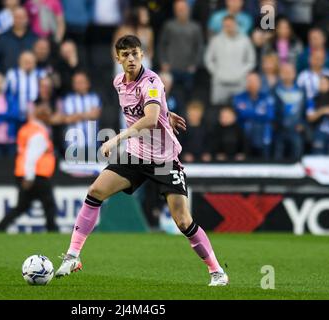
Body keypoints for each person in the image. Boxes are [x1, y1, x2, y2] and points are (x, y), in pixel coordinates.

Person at [54, 35, 229, 286]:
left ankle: (217, 272)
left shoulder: (153, 81)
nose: (131, 58)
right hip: (136, 156)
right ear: (118, 58)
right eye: (125, 54)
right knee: (95, 191)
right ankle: (73, 255)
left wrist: (116, 139)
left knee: (182, 221)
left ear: (142, 54)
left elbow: (149, 118)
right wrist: (167, 114)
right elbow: (152, 111)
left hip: (164, 160)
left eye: (135, 53)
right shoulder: (118, 82)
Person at [0, 103, 59, 232]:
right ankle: (53, 231)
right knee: (49, 205)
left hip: (25, 173)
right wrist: (30, 177)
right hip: (36, 175)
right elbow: (31, 157)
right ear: (42, 116)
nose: (50, 117)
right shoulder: (39, 133)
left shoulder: (27, 129)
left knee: (22, 206)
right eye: (48, 114)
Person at [159, 0, 204, 105]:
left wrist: (194, 64)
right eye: (178, 10)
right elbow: (162, 45)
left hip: (188, 69)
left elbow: (199, 47)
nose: (181, 12)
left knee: (188, 97)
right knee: (170, 98)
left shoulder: (195, 27)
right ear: (175, 11)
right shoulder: (169, 26)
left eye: (183, 9)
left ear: (188, 10)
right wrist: (163, 61)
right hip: (171, 67)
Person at [205, 15, 256, 106]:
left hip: (239, 84)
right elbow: (208, 59)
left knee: (240, 109)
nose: (228, 28)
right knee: (218, 110)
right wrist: (216, 72)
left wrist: (242, 72)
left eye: (230, 25)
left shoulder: (245, 40)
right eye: (226, 26)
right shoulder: (215, 40)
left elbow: (251, 61)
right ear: (222, 26)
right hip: (220, 84)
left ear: (236, 25)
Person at [60, 71, 102, 162]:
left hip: (92, 146)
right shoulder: (68, 99)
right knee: (76, 174)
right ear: (73, 85)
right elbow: (68, 119)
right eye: (77, 83)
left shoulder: (94, 97)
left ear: (88, 83)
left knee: (93, 174)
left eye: (82, 82)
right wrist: (88, 114)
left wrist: (77, 115)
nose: (79, 85)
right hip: (74, 146)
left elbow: (95, 115)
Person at [233, 72, 275, 160]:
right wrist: (258, 113)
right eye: (250, 81)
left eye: (255, 81)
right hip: (244, 139)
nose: (252, 84)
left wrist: (249, 114)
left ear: (260, 83)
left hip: (263, 138)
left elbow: (269, 116)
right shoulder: (238, 98)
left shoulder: (267, 97)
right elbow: (240, 116)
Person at [0, 7, 38, 73]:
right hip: (7, 79)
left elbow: (40, 58)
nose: (20, 20)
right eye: (17, 17)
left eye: (22, 17)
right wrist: (0, 73)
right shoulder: (2, 38)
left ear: (27, 19)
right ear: (12, 19)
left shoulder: (35, 38)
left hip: (32, 79)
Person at [273, 63, 306, 160]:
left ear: (294, 73)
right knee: (278, 157)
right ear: (280, 74)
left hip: (296, 130)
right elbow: (271, 109)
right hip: (279, 130)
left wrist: (303, 124)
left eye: (289, 72)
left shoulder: (301, 91)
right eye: (284, 72)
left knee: (297, 157)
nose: (287, 74)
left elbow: (305, 109)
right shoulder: (275, 90)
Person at [6, 51, 47, 122]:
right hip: (17, 117)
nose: (28, 63)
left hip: (37, 116)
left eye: (30, 61)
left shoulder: (42, 74)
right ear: (19, 61)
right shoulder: (12, 74)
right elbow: (6, 94)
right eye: (25, 61)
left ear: (35, 62)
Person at [307, 75, 329, 155]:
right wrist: (322, 111)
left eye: (325, 83)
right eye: (320, 83)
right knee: (318, 159)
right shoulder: (313, 99)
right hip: (317, 134)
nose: (322, 85)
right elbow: (310, 118)